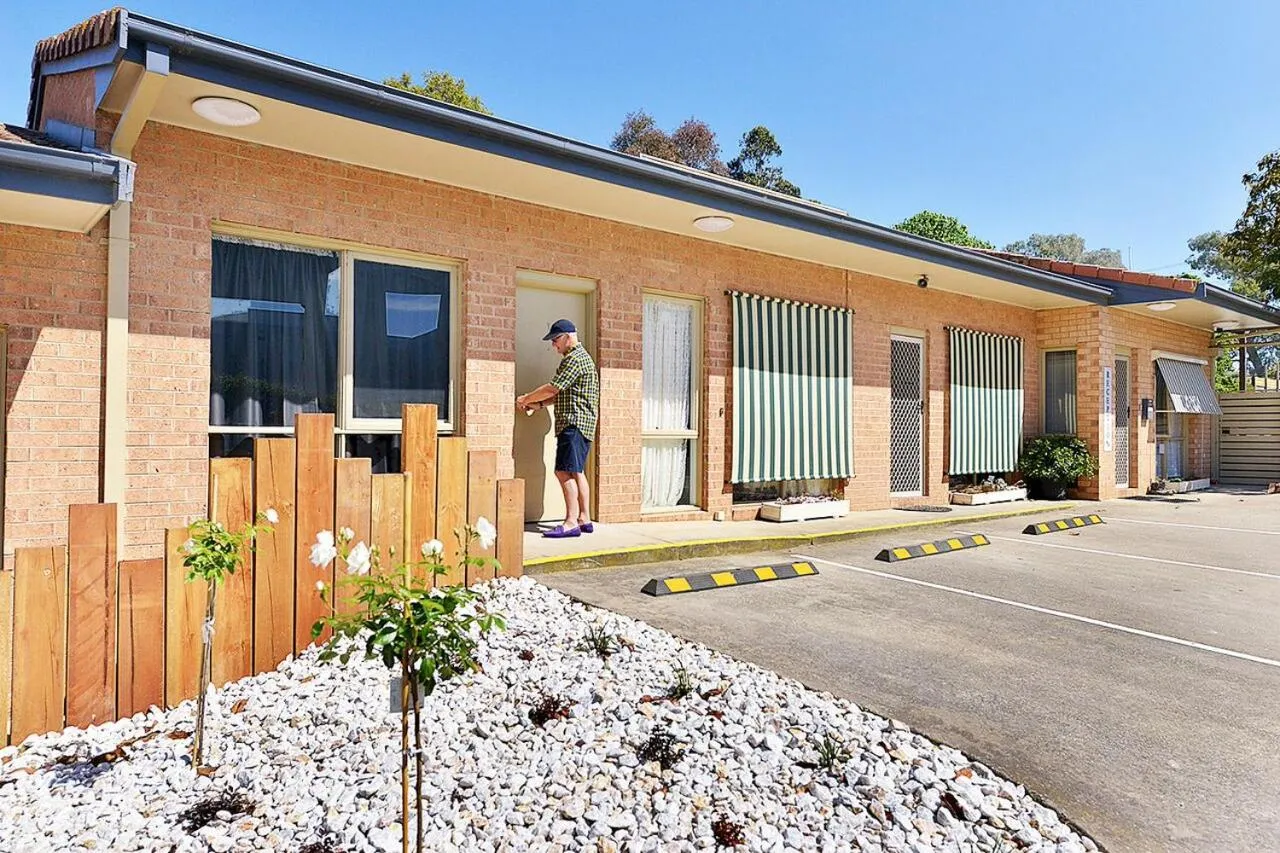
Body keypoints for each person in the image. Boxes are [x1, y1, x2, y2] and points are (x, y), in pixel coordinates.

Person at [516, 319, 600, 538]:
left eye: (556, 340)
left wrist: (526, 398)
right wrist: (540, 404)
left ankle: (571, 521)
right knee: (576, 470)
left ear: (568, 336)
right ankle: (584, 518)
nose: (554, 345)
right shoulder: (581, 359)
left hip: (573, 423)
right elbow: (564, 394)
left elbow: (553, 388)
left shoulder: (574, 359)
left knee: (563, 471)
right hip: (582, 423)